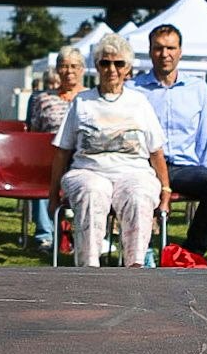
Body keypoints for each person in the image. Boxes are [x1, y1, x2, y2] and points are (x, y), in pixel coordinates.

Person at [51, 36, 171, 267]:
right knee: (92, 192)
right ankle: (89, 266)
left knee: (138, 196)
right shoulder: (82, 102)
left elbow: (156, 151)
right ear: (96, 66)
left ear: (128, 68)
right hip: (88, 170)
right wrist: (52, 193)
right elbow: (62, 151)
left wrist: (165, 189)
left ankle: (135, 265)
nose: (112, 69)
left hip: (134, 172)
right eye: (105, 63)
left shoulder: (139, 102)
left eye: (119, 64)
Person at [134, 24, 207, 259]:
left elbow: (204, 136)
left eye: (170, 48)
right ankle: (140, 252)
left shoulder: (197, 87)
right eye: (158, 48)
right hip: (146, 167)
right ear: (150, 51)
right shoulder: (134, 89)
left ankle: (191, 253)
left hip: (183, 169)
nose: (165, 54)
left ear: (180, 51)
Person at [24, 48, 86, 252]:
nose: (69, 71)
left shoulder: (90, 98)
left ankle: (83, 236)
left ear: (82, 70)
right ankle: (45, 236)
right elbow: (34, 135)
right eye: (64, 66)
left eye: (74, 66)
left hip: (83, 160)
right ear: (57, 70)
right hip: (50, 159)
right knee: (44, 175)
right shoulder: (43, 99)